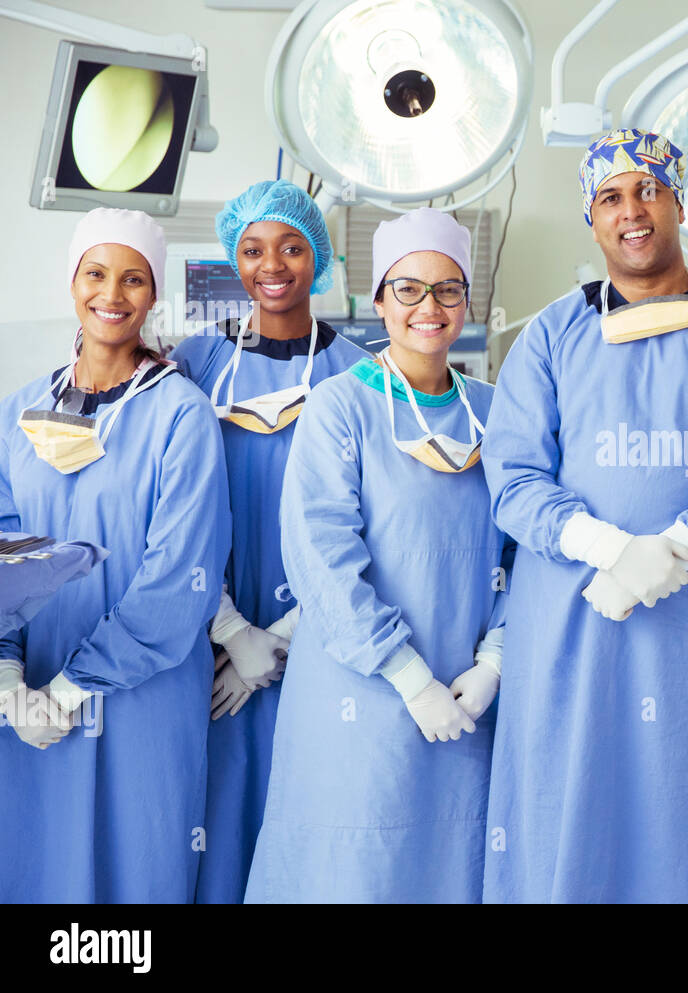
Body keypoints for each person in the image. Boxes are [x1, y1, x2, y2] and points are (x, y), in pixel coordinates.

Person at [480, 128, 688, 903]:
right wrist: (606, 546)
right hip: (573, 629)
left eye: (648, 190)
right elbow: (514, 477)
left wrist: (679, 545)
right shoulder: (550, 336)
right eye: (610, 197)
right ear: (592, 219)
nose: (631, 210)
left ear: (680, 205)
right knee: (568, 821)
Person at [244, 207, 509, 902]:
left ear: (467, 301)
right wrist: (408, 676)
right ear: (379, 301)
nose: (429, 307)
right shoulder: (340, 406)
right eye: (408, 289)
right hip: (358, 694)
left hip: (467, 699)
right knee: (353, 872)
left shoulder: (497, 411)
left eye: (447, 289)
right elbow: (321, 556)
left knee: (452, 867)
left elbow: (526, 548)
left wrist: (496, 659)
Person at [0, 208, 231, 901]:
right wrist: (10, 681)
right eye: (96, 274)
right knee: (38, 871)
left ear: (153, 294)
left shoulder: (181, 414)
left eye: (134, 279)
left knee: (139, 874)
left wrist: (69, 690)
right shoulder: (19, 414)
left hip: (143, 699)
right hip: (28, 701)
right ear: (73, 282)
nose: (112, 293)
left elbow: (180, 577)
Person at [170, 179, 369, 903]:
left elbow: (376, 521)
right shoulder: (194, 363)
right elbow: (171, 511)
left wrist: (283, 638)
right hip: (213, 638)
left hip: (326, 636)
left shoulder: (361, 372)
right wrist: (231, 630)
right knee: (221, 823)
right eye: (252, 250)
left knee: (312, 812)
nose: (272, 265)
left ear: (318, 257)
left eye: (291, 247)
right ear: (235, 260)